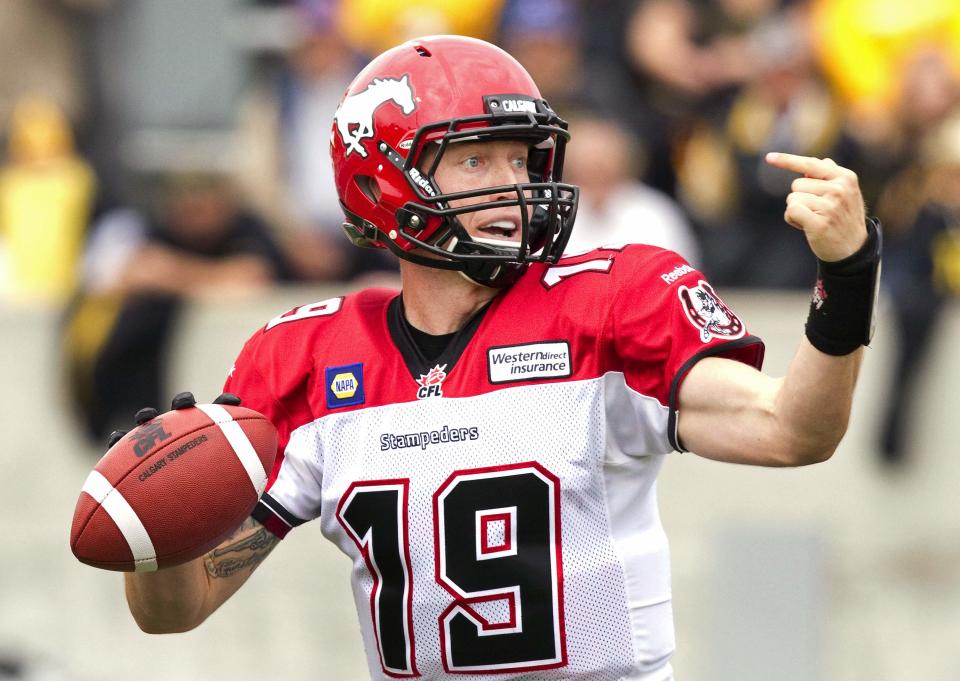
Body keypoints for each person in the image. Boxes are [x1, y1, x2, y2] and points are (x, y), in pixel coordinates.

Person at [119, 36, 880, 680]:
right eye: (478, 162)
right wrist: (155, 534)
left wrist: (847, 276)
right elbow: (180, 608)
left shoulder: (609, 303)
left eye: (521, 160)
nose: (515, 188)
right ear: (384, 179)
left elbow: (793, 429)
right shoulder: (307, 357)